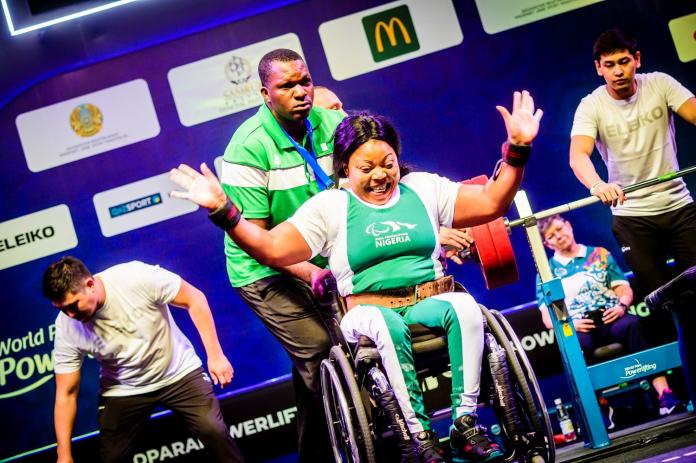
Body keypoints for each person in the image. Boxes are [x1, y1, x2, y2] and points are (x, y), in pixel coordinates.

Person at [170, 91, 543, 462]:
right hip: (367, 313)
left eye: (389, 164)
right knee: (385, 324)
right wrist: (224, 210)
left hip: (428, 301)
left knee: (464, 306)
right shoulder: (330, 207)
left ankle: (466, 425)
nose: (381, 175)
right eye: (367, 168)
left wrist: (517, 149)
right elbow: (269, 248)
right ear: (345, 168)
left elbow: (493, 202)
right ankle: (418, 437)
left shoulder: (424, 188)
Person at [219, 48, 345, 461]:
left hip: (321, 260)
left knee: (336, 358)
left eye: (304, 81)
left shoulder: (336, 124)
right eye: (286, 86)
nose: (300, 92)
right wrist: (307, 270)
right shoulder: (248, 148)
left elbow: (372, 179)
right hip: (262, 268)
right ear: (265, 93)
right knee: (322, 353)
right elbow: (256, 240)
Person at [568, 28, 696, 403]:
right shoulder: (591, 105)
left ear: (636, 60)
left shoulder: (660, 84)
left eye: (624, 61)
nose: (618, 71)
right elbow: (579, 156)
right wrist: (596, 185)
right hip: (633, 218)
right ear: (599, 68)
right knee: (671, 308)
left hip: (679, 207)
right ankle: (682, 393)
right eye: (609, 65)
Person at [43, 257, 243, 463]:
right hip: (124, 389)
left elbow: (195, 299)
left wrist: (216, 355)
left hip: (178, 372)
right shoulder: (66, 326)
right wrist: (64, 454)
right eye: (62, 309)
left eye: (73, 305)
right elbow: (66, 393)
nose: (70, 314)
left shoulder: (135, 277)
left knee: (214, 430)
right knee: (112, 458)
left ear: (90, 285)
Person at [535, 215, 683, 419]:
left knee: (635, 326)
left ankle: (664, 395)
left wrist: (622, 306)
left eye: (560, 229)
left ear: (568, 225)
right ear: (546, 243)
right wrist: (571, 323)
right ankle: (599, 409)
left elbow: (623, 288)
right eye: (552, 235)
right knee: (573, 346)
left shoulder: (599, 254)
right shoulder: (546, 272)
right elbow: (546, 317)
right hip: (580, 326)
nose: (559, 236)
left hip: (612, 317)